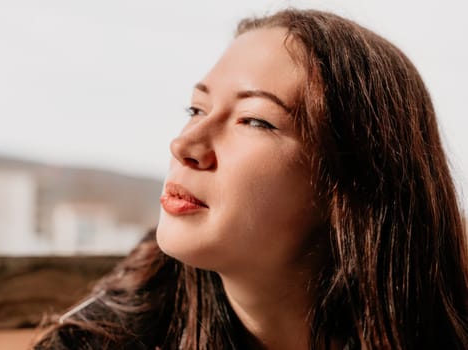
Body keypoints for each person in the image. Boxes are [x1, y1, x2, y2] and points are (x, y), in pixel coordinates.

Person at [32, 8, 468, 350]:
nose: (185, 144)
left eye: (254, 121)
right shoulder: (99, 342)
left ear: (350, 186)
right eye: (196, 110)